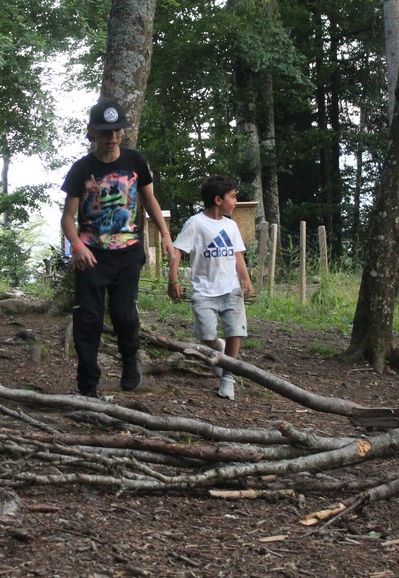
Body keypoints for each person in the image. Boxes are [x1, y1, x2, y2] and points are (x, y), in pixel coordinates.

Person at [61, 98, 174, 398]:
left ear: (123, 132)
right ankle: (88, 385)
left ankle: (130, 367)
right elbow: (68, 218)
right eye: (105, 132)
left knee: (124, 316)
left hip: (127, 255)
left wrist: (164, 234)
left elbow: (150, 201)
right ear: (92, 133)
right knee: (88, 321)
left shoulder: (136, 161)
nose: (112, 138)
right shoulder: (81, 169)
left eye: (117, 132)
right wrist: (76, 246)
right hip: (91, 258)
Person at [168, 175, 254, 400]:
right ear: (218, 199)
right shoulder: (195, 223)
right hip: (204, 291)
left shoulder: (231, 226)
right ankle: (219, 348)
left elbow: (237, 255)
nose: (235, 202)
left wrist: (246, 280)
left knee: (235, 330)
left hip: (230, 288)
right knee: (206, 336)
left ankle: (228, 376)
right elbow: (178, 251)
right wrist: (173, 278)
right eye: (233, 197)